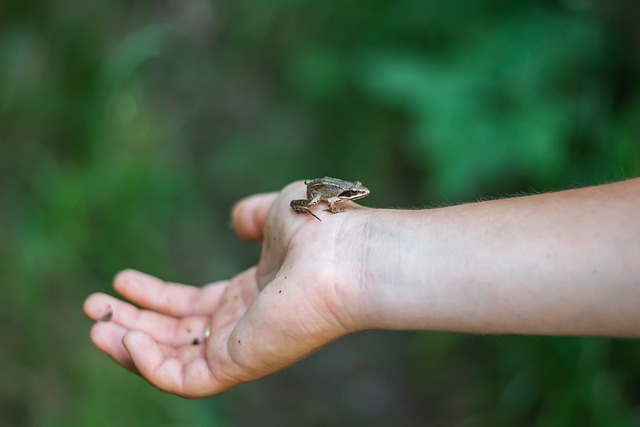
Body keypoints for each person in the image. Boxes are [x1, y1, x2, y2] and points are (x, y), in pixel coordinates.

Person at [83, 178, 640, 398]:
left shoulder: (341, 199)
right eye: (357, 195)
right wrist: (350, 242)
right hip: (319, 207)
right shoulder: (327, 199)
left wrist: (350, 251)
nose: (362, 195)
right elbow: (318, 199)